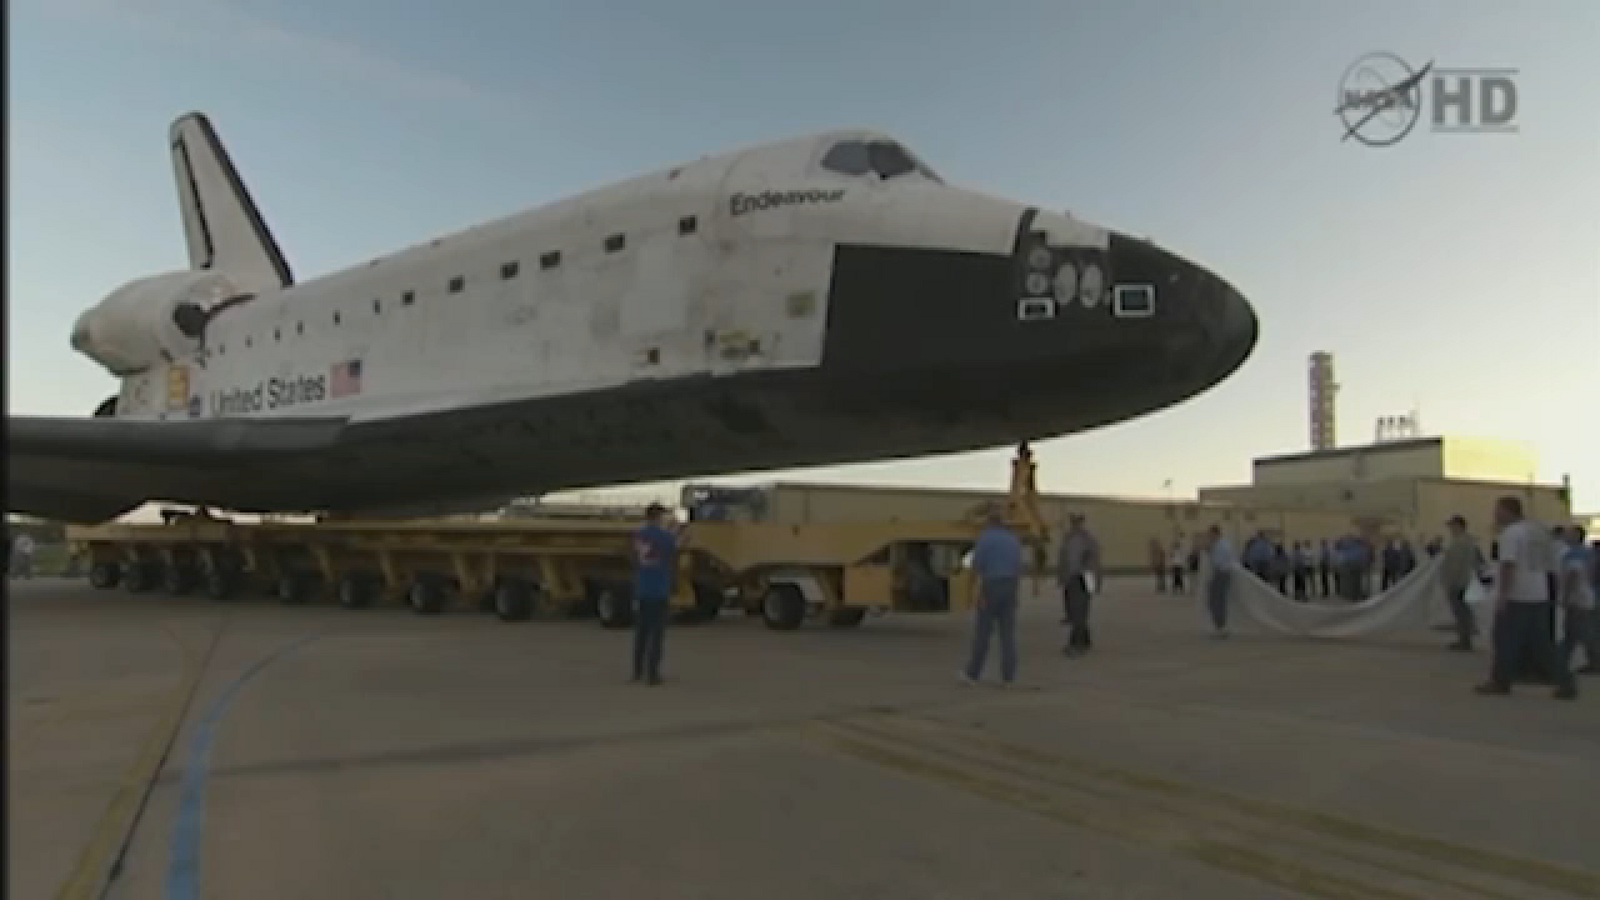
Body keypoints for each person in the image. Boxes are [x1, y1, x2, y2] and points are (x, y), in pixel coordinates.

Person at [1476, 496, 1576, 699]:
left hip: (1518, 594)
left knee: (1504, 638)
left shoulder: (1511, 534)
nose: (1495, 514)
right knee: (1543, 644)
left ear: (1507, 510)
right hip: (1539, 592)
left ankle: (1500, 680)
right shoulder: (1537, 531)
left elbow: (1508, 565)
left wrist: (1503, 594)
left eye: (1498, 509)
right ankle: (1565, 682)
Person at [961, 508, 1023, 686]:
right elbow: (1018, 568)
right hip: (1009, 586)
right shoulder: (1013, 540)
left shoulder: (985, 539)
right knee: (1007, 635)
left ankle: (973, 673)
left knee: (983, 633)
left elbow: (976, 567)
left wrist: (972, 592)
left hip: (991, 586)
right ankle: (1008, 677)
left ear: (989, 523)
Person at [630, 503, 678, 685]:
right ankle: (653, 674)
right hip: (659, 589)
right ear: (659, 517)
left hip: (642, 587)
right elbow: (674, 552)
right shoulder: (665, 536)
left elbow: (634, 558)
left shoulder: (638, 535)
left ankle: (637, 671)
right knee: (656, 634)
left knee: (641, 632)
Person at [1056, 513, 1102, 656]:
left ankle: (1076, 644)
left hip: (1078, 577)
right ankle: (1085, 640)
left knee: (1078, 610)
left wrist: (1064, 577)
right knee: (1082, 609)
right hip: (1085, 577)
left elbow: (1073, 561)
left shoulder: (1075, 539)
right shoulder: (1086, 538)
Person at [1439, 516, 1484, 652]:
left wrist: (1450, 581)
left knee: (1461, 612)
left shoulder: (1461, 542)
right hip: (1462, 580)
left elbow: (1456, 564)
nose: (1450, 529)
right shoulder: (1466, 541)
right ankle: (1464, 639)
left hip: (1458, 581)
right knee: (1462, 611)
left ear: (1458, 525)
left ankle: (1464, 640)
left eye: (1452, 525)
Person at [1557, 526, 1597, 675]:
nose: (1565, 536)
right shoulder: (1589, 552)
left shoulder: (1573, 553)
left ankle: (1594, 662)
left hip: (1577, 598)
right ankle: (1564, 661)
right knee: (1575, 632)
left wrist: (1565, 597)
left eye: (1569, 534)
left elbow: (1572, 575)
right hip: (1587, 595)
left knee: (1579, 631)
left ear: (1576, 536)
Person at [1205, 525, 1235, 638]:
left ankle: (1221, 625)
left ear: (1216, 533)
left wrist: (1210, 551)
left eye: (1210, 534)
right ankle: (1220, 625)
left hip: (1221, 573)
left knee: (1217, 600)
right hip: (1222, 573)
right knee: (1217, 600)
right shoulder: (1222, 544)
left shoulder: (1220, 545)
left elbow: (1217, 562)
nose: (1209, 536)